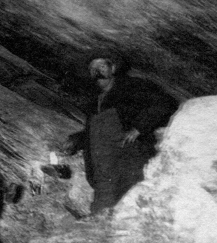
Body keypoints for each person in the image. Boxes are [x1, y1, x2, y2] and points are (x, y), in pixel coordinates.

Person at [64, 52, 178, 215]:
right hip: (102, 170)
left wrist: (138, 128)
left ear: (113, 68)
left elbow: (163, 103)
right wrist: (77, 139)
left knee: (129, 207)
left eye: (102, 66)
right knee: (100, 211)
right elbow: (97, 132)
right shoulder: (95, 101)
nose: (97, 71)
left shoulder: (132, 87)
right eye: (92, 68)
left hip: (127, 162)